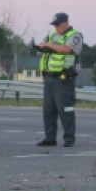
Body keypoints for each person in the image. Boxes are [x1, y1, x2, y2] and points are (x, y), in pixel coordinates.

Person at [35, 12, 83, 147]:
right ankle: (49, 138)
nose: (56, 28)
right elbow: (41, 48)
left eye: (58, 25)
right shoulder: (51, 35)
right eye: (54, 25)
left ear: (66, 23)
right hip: (49, 77)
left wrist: (50, 45)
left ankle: (69, 138)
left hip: (64, 79)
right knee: (48, 110)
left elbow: (67, 49)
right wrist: (41, 47)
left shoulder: (74, 35)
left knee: (65, 109)